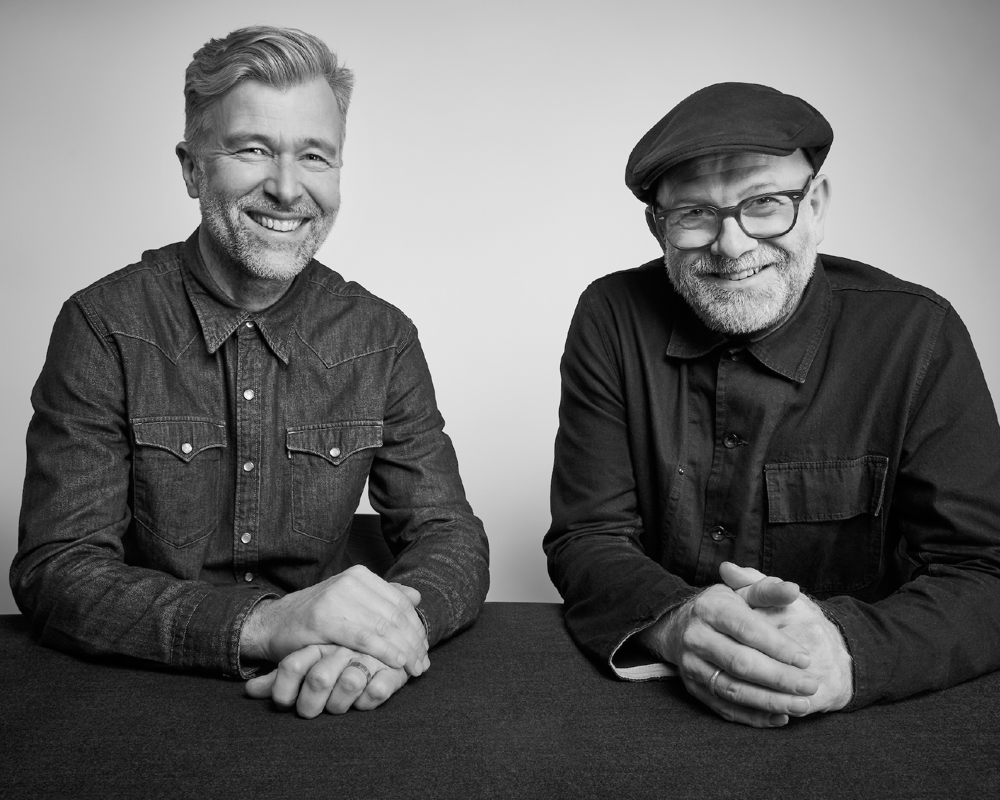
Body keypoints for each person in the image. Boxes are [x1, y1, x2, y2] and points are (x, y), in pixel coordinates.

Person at [11, 26, 489, 719]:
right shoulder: (101, 327)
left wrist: (377, 643)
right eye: (254, 149)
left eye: (315, 156)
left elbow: (449, 536)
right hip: (139, 704)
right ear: (191, 168)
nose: (288, 189)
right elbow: (57, 570)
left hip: (333, 699)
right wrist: (270, 623)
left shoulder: (383, 338)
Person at [543, 82, 1000, 728]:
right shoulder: (610, 318)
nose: (731, 246)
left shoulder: (919, 337)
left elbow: (988, 572)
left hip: (870, 725)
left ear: (815, 205)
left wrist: (847, 653)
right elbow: (588, 537)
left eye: (764, 205)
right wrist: (680, 623)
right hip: (656, 717)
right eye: (695, 214)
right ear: (658, 227)